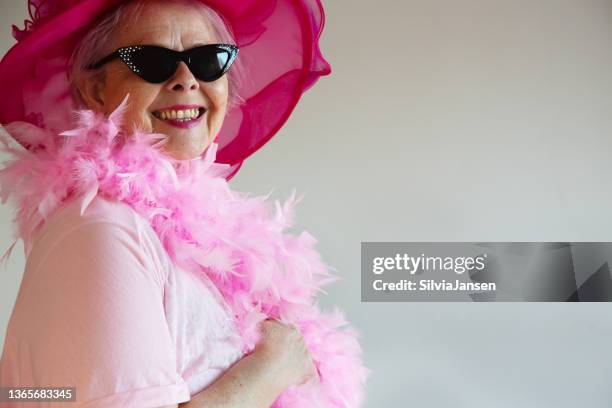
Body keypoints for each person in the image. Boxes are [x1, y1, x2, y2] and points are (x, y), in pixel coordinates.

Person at [0, 0, 368, 407]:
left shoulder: (193, 234)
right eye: (152, 61)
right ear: (96, 89)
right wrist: (273, 366)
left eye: (209, 59)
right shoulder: (101, 229)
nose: (186, 79)